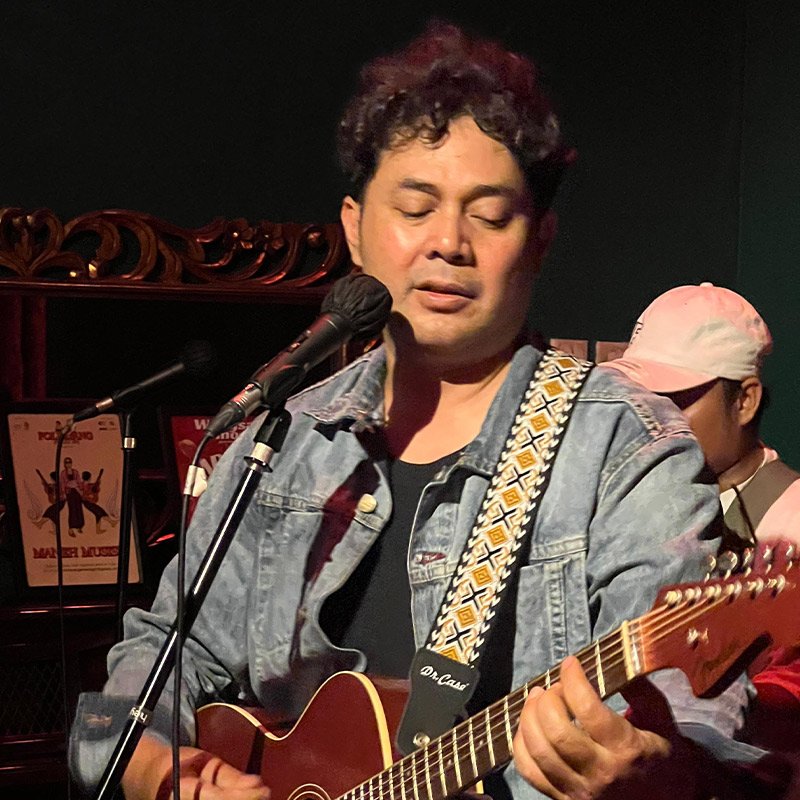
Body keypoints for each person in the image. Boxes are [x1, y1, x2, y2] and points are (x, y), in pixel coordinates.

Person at [70, 23, 781, 800]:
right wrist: (153, 769)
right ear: (354, 230)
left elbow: (701, 735)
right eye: (415, 207)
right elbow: (158, 657)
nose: (448, 242)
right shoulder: (285, 439)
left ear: (540, 240)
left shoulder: (626, 448)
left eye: (491, 215)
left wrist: (651, 774)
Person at [607, 282, 800, 756]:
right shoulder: (617, 508)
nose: (648, 417)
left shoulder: (793, 520)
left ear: (745, 401)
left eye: (674, 398)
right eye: (637, 397)